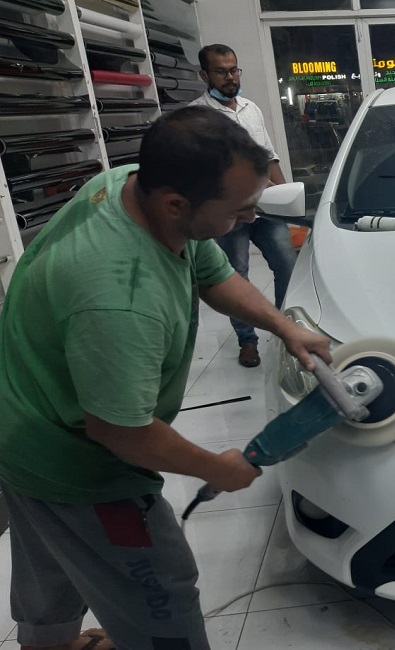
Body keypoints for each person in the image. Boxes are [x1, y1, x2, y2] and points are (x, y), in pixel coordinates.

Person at [0, 106, 333, 650]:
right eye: (240, 210)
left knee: (52, 561)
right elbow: (121, 431)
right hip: (75, 461)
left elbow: (212, 272)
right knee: (158, 588)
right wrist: (215, 467)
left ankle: (48, 644)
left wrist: (283, 327)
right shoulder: (119, 298)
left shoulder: (129, 186)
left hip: (19, 418)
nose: (252, 217)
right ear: (176, 204)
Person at [190, 43, 296, 368]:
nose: (230, 77)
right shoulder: (198, 116)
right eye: (221, 71)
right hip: (230, 214)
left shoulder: (251, 109)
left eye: (234, 70)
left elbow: (269, 155)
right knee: (236, 274)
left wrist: (287, 197)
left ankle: (284, 329)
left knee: (287, 265)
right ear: (204, 75)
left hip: (266, 207)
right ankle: (247, 340)